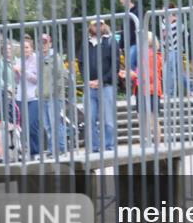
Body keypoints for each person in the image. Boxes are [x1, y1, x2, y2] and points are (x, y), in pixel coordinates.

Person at [78, 20, 119, 153]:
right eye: (95, 24)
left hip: (107, 85)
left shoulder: (111, 41)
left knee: (109, 120)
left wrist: (101, 80)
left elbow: (115, 66)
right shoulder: (86, 43)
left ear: (104, 25)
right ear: (91, 26)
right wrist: (87, 80)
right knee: (90, 119)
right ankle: (94, 147)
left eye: (100, 24)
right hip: (90, 87)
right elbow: (81, 64)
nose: (98, 26)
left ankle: (109, 147)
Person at [121, 31, 164, 147]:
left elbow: (149, 75)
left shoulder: (151, 56)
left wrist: (132, 74)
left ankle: (152, 143)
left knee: (151, 118)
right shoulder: (147, 54)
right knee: (144, 117)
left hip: (149, 90)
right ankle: (149, 142)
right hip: (143, 89)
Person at [38, 33, 68, 156]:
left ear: (50, 44)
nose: (43, 45)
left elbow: (63, 76)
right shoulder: (39, 58)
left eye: (45, 42)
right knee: (48, 126)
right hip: (42, 96)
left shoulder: (56, 58)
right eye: (41, 43)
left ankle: (59, 148)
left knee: (55, 123)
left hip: (54, 97)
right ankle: (52, 149)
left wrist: (55, 91)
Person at [14, 36, 40, 159]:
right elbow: (17, 81)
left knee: (32, 124)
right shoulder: (19, 60)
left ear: (31, 48)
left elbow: (36, 79)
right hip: (21, 97)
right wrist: (15, 72)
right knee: (23, 126)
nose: (25, 50)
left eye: (27, 47)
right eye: (23, 48)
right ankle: (29, 151)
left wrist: (23, 70)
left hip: (34, 97)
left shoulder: (36, 60)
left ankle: (36, 151)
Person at [119, 0, 141, 77]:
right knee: (131, 67)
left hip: (135, 43)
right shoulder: (126, 13)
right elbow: (123, 31)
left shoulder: (137, 11)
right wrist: (120, 46)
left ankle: (135, 88)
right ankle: (135, 88)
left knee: (130, 67)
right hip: (128, 45)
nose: (121, 1)